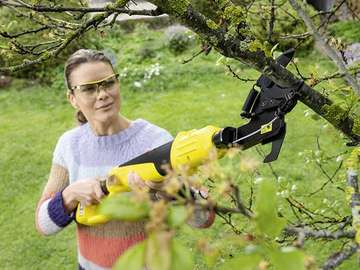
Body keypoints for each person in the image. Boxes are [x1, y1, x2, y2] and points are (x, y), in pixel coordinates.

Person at [35, 49, 215, 270]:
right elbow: (43, 224)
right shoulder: (69, 145)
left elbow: (204, 218)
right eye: (89, 89)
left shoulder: (156, 140)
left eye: (108, 83)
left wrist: (167, 188)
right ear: (72, 98)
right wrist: (70, 195)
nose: (102, 94)